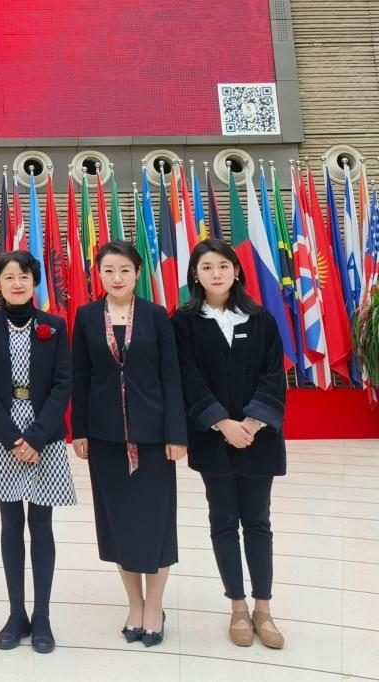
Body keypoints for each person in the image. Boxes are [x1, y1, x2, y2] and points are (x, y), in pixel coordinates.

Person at [70, 240, 187, 648]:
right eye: (108, 270)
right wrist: (79, 430)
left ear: (137, 273)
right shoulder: (86, 317)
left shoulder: (156, 316)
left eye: (124, 270)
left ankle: (154, 606)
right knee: (118, 524)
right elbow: (80, 377)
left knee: (156, 524)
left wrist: (176, 434)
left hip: (153, 439)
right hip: (105, 439)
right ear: (98, 274)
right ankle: (134, 604)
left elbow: (171, 376)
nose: (116, 277)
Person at [171, 238, 286, 649]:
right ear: (195, 275)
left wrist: (250, 423)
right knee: (222, 520)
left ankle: (263, 609)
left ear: (236, 271)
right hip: (213, 439)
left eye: (223, 266)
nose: (215, 273)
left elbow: (274, 375)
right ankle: (237, 607)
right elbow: (187, 377)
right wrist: (222, 423)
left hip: (259, 437)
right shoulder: (183, 321)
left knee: (258, 521)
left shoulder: (261, 318)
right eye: (206, 267)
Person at [0, 251, 75, 654]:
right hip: (2, 435)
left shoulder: (54, 326)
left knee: (42, 525)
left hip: (44, 432)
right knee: (11, 523)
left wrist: (36, 437)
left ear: (35, 282)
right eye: (9, 277)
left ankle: (42, 615)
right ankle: (16, 614)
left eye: (25, 277)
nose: (17, 283)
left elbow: (63, 385)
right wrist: (14, 439)